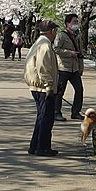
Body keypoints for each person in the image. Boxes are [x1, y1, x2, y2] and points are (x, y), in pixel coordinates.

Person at [24, 19, 59, 156]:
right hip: (43, 87)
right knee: (46, 118)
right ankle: (42, 147)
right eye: (55, 30)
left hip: (36, 85)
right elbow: (43, 68)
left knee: (41, 117)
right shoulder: (45, 45)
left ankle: (35, 145)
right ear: (52, 31)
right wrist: (49, 85)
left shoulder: (39, 43)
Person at [52, 12, 86, 121]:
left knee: (79, 89)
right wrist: (69, 53)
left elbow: (80, 53)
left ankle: (75, 112)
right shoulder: (61, 35)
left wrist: (81, 68)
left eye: (77, 22)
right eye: (74, 22)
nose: (76, 24)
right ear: (68, 23)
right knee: (60, 91)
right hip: (63, 67)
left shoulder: (77, 36)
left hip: (74, 68)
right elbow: (56, 49)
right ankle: (57, 112)